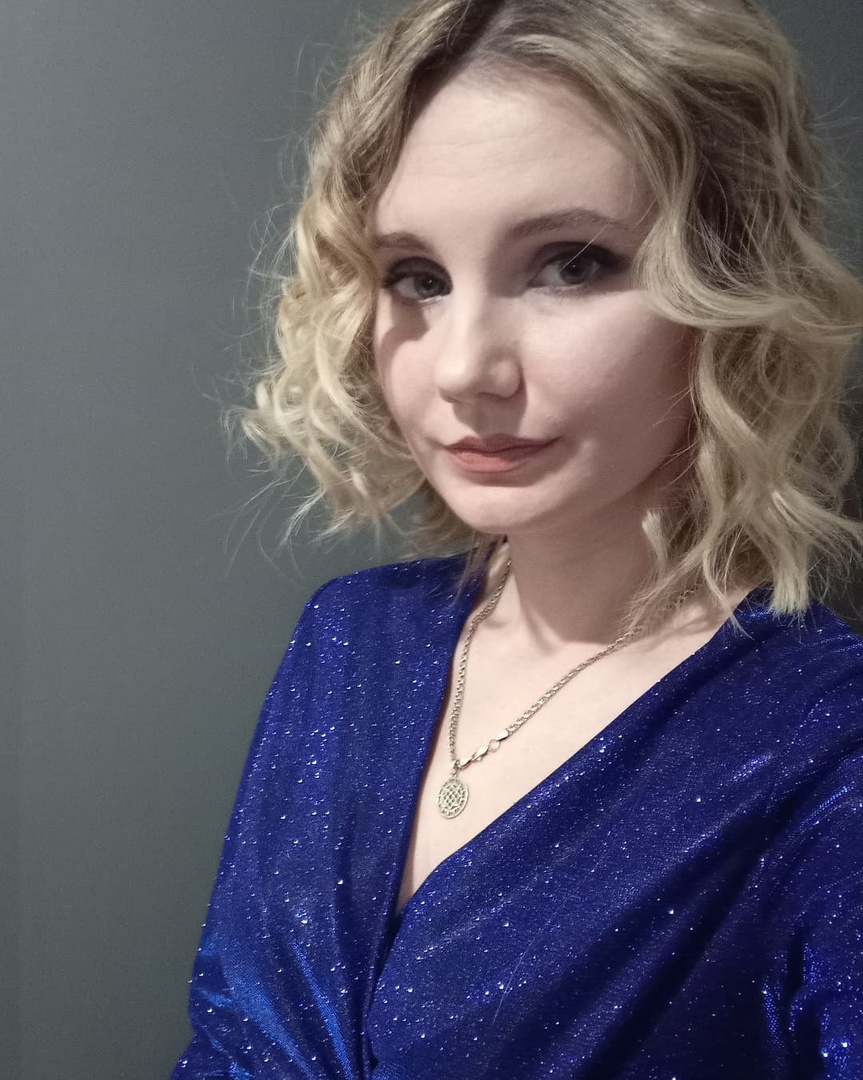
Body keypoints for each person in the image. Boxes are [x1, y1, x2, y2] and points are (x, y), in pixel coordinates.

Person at [173, 0, 863, 1076]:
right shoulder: (351, 641)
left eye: (569, 264)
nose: (462, 368)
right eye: (415, 278)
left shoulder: (822, 749)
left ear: (728, 285)